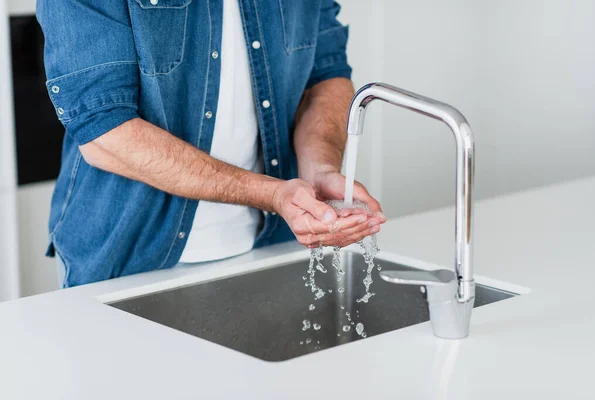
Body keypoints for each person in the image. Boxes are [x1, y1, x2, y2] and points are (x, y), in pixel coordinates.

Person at [37, 0, 385, 288]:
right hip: (130, 259)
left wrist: (319, 169)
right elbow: (105, 134)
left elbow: (325, 76)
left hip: (271, 247)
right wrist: (273, 194)